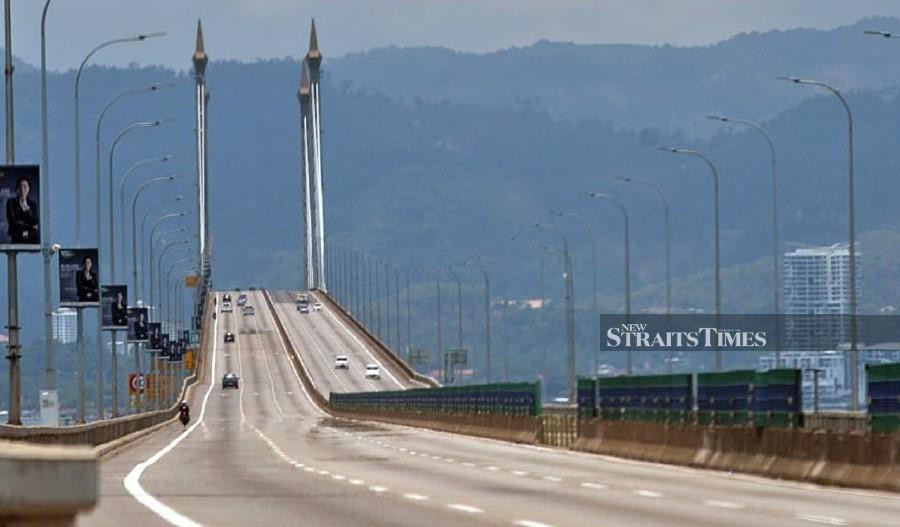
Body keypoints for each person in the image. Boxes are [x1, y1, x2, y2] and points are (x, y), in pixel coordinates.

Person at [5, 176, 39, 244]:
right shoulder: (11, 203)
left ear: (29, 189)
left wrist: (26, 206)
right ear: (17, 189)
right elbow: (13, 223)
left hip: (31, 239)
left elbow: (35, 221)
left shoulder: (32, 204)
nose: (22, 189)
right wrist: (31, 228)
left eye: (25, 186)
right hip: (17, 239)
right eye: (20, 187)